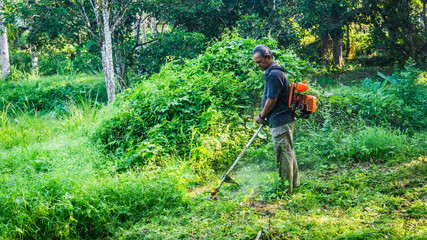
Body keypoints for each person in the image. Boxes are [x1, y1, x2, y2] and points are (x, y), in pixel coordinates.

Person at [253, 44, 300, 194]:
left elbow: (271, 99)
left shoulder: (274, 74)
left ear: (268, 57)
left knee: (283, 153)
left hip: (280, 121)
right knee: (288, 151)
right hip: (282, 120)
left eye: (260, 61)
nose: (258, 65)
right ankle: (294, 184)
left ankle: (285, 189)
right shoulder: (275, 71)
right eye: (256, 63)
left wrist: (262, 116)